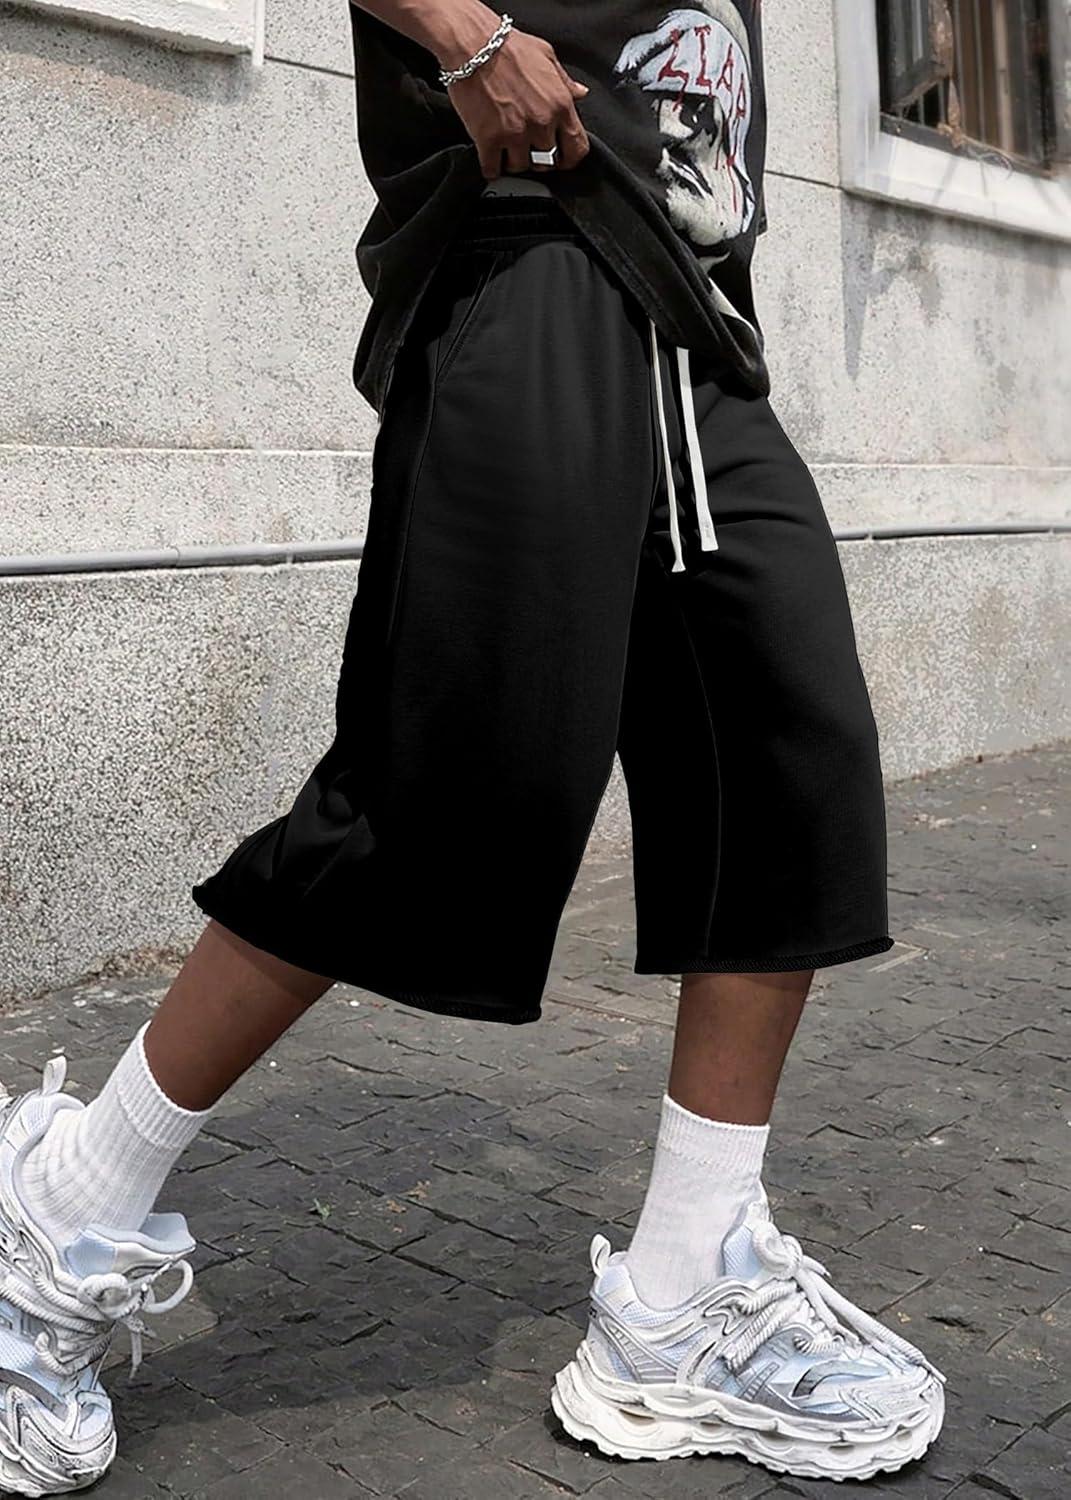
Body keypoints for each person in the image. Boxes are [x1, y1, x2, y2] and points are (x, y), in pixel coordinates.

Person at [0, 0, 945, 1492]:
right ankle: (58, 1212)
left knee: (788, 773)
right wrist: (465, 35)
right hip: (533, 243)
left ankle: (683, 1297)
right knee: (440, 798)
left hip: (692, 301)